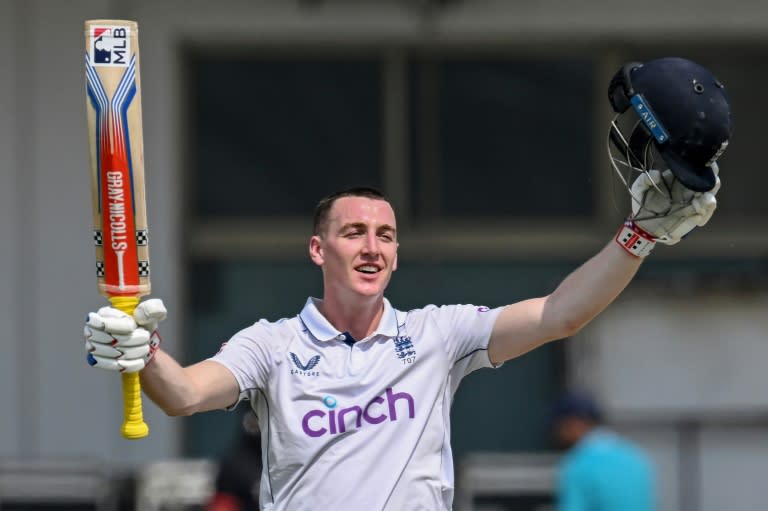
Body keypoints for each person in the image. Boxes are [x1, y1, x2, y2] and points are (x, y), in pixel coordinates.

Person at [83, 57, 732, 510]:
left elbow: (561, 313)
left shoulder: (435, 334)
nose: (373, 246)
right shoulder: (272, 344)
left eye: (386, 235)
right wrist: (144, 351)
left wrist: (637, 236)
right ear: (318, 248)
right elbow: (185, 393)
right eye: (354, 231)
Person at [552, 392, 656, 511]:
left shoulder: (577, 464)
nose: (557, 433)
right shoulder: (635, 456)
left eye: (559, 426)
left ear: (574, 423)